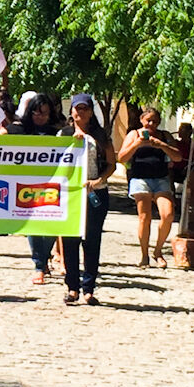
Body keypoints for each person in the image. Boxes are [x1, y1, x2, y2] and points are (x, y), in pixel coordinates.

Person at [58, 94, 116, 306]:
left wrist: (100, 179)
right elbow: (53, 161)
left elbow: (112, 163)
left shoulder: (100, 136)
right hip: (70, 193)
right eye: (77, 108)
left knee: (92, 241)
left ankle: (89, 288)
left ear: (91, 112)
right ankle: (72, 287)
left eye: (84, 109)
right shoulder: (63, 134)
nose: (80, 112)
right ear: (71, 111)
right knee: (70, 240)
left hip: (95, 192)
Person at [5, 93, 61, 284]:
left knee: (53, 226)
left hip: (53, 185)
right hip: (27, 186)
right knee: (33, 227)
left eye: (44, 113)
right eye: (37, 113)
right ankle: (39, 264)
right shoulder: (19, 130)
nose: (40, 117)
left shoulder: (58, 133)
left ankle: (44, 258)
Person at [118, 106, 183, 268]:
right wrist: (137, 144)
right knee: (144, 217)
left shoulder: (164, 136)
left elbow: (178, 157)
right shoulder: (133, 134)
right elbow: (121, 157)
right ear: (142, 120)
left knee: (168, 214)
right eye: (148, 120)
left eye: (155, 121)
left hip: (160, 178)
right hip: (140, 178)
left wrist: (161, 145)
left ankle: (158, 250)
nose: (151, 124)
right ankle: (144, 254)